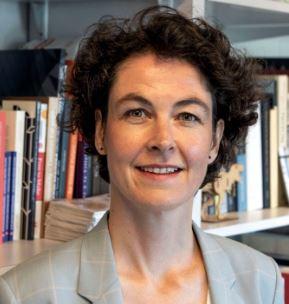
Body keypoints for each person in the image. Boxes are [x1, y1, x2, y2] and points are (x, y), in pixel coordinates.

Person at [0, 6, 284, 304]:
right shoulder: (24, 294)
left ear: (214, 140)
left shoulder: (262, 281)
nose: (163, 141)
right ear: (100, 132)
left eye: (187, 116)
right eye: (137, 112)